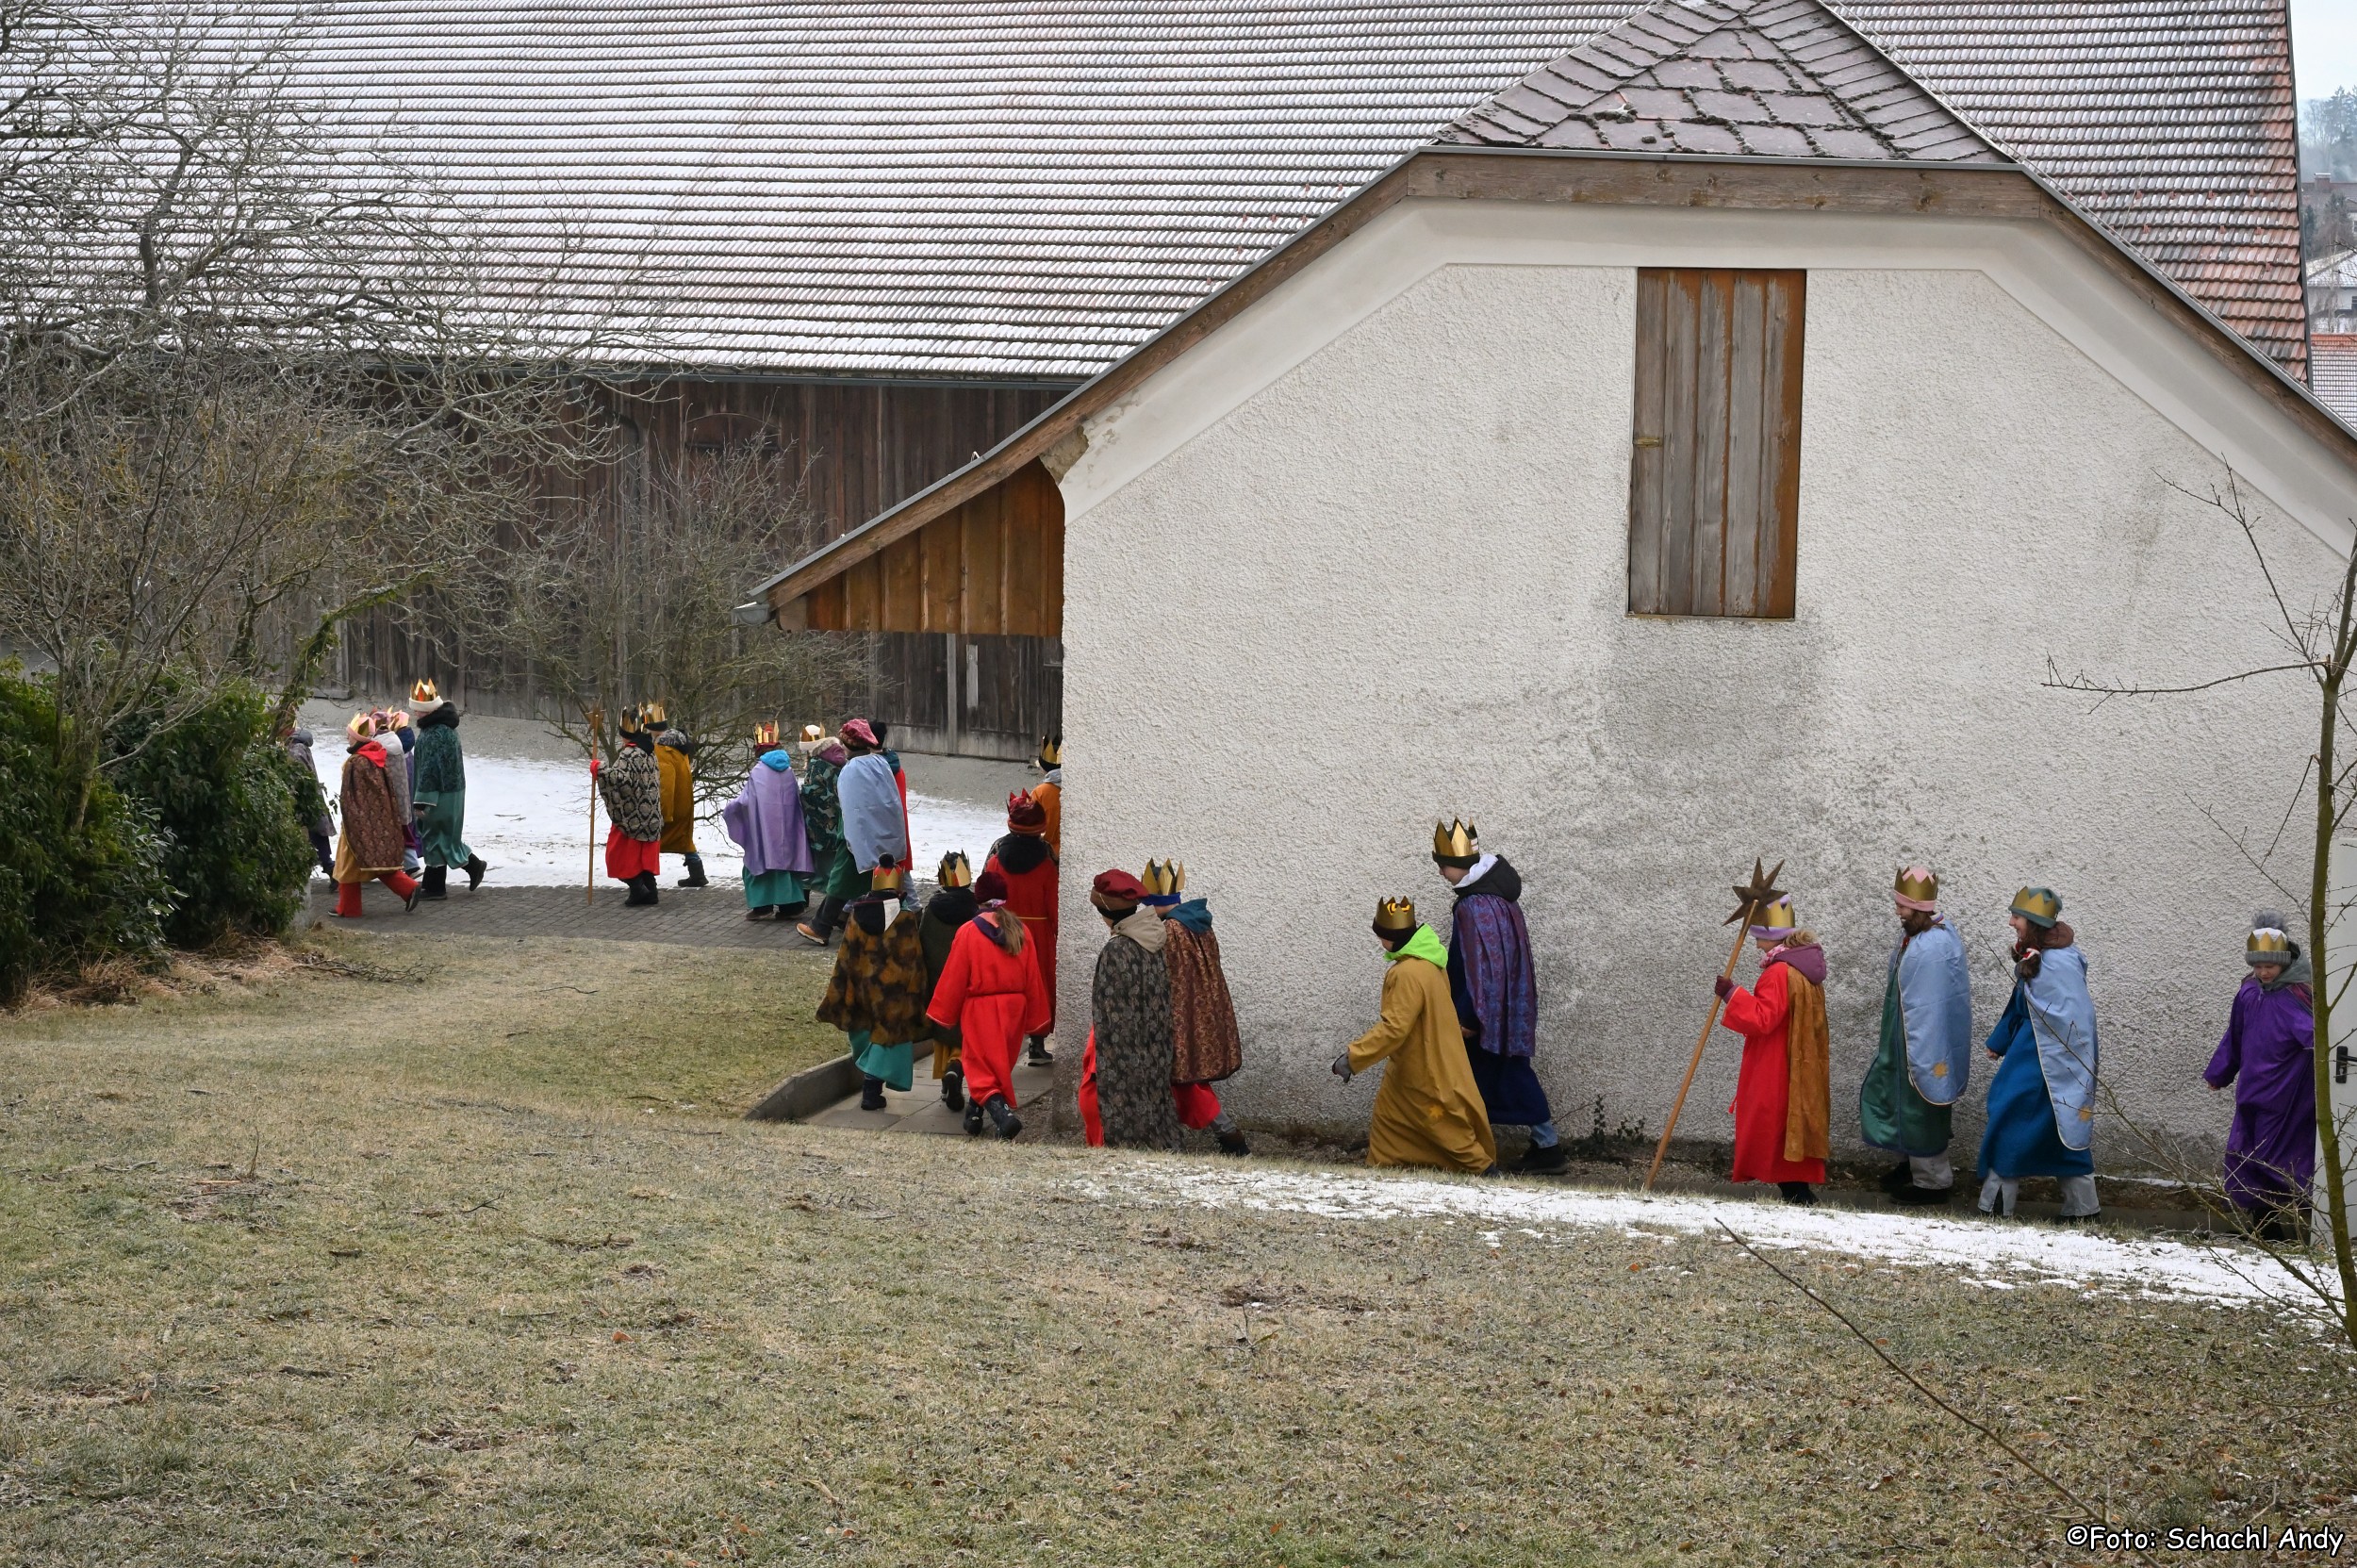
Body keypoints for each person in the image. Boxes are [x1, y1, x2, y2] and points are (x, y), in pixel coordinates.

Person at [1331, 896, 1495, 1174]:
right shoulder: (1429, 963)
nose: (1379, 941)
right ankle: (1381, 1164)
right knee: (1389, 1117)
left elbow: (1394, 1027)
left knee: (1442, 1123)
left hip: (1423, 1064)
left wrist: (1353, 1057)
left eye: (1380, 935)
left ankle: (1482, 1168)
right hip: (1413, 1061)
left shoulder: (1407, 973)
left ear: (1390, 937)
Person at [1431, 819, 1559, 1173]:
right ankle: (1540, 1145)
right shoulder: (1499, 899)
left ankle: (1541, 1148)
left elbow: (1476, 967)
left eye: (1443, 865)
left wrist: (1470, 1017)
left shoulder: (1473, 906)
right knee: (1504, 1072)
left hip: (1479, 1012)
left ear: (1459, 864)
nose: (1441, 873)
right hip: (1505, 1008)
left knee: (1485, 1074)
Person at [1979, 887, 2101, 1222]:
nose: (2010, 922)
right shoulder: (2037, 954)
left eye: (2016, 916)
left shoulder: (2059, 962)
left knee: (2019, 1118)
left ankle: (2076, 1209)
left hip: (2048, 1062)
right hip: (2030, 1054)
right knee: (2030, 1120)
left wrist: (2065, 1066)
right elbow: (2022, 1004)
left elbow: (2075, 1020)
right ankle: (2080, 1209)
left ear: (2033, 922)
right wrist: (2000, 1041)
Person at [1858, 866, 1973, 1205]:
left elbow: (1932, 1005)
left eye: (1902, 906)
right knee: (1899, 1100)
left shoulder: (1933, 945)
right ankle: (1910, 1165)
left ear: (1919, 908)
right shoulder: (1916, 937)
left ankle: (1933, 1181)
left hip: (1922, 1042)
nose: (1897, 911)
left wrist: (1921, 1050)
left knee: (1922, 1104)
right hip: (1902, 1037)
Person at [2204, 913, 2316, 1242]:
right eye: (2258, 966)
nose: (2264, 972)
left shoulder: (2300, 995)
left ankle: (2312, 1226)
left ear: (2284, 962)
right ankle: (2265, 1227)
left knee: (2279, 1158)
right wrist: (2220, 1073)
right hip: (2252, 1089)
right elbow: (2235, 1035)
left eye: (2270, 966)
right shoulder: (2249, 992)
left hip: (2288, 1094)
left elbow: (2318, 1039)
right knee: (2245, 1155)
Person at [1714, 895, 1830, 1205]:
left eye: (1759, 938)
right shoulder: (1802, 968)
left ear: (1773, 936)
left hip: (1776, 1063)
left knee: (1773, 1123)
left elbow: (1763, 1019)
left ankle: (1797, 1194)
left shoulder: (1779, 973)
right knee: (1787, 1123)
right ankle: (1797, 1191)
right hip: (1793, 1060)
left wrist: (1731, 994)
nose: (1756, 945)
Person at [1129, 859, 1249, 1155]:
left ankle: (1231, 1139)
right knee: (1182, 1080)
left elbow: (1166, 978)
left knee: (1187, 1081)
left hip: (1181, 1017)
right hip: (1200, 1013)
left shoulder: (1171, 930)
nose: (1146, 910)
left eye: (1148, 904)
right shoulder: (1197, 924)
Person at [925, 866, 1050, 1138]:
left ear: (978, 898)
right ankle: (973, 1116)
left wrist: (944, 1012)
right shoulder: (1021, 930)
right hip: (1014, 1010)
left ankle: (1004, 1117)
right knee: (995, 1066)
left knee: (978, 1067)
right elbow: (1033, 976)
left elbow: (955, 976)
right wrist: (1036, 1017)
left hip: (982, 1010)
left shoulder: (968, 932)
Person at [1083, 869, 1185, 1152]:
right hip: (1156, 1045)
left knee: (1129, 1121)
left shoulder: (1117, 950)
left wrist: (1113, 1064)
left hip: (1126, 1055)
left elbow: (1112, 1015)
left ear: (1105, 911)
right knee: (1156, 1109)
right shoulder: (1151, 939)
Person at [816, 864, 931, 1111]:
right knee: (886, 1037)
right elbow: (912, 958)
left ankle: (870, 1085)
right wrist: (918, 992)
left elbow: (846, 954)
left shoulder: (856, 915)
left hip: (862, 986)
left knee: (867, 1032)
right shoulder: (905, 918)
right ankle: (871, 1089)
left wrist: (844, 987)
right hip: (893, 991)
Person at [798, 718, 908, 946]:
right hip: (880, 833)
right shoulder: (880, 763)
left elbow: (850, 806)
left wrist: (851, 838)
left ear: (848, 744)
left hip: (857, 836)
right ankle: (835, 921)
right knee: (878, 881)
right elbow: (889, 802)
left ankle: (821, 927)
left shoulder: (852, 770)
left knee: (842, 881)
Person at [985, 789, 1060, 1065]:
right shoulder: (1048, 864)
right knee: (1038, 986)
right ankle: (1037, 1045)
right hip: (1037, 933)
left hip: (1004, 929)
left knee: (1006, 984)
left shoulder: (995, 859)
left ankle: (1002, 1042)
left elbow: (987, 898)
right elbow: (1054, 905)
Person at [331, 713, 420, 917]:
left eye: (350, 735)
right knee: (370, 862)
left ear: (357, 737)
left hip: (358, 822)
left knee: (348, 863)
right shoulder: (375, 757)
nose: (347, 738)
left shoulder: (356, 762)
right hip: (375, 820)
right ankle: (407, 889)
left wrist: (352, 820)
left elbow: (351, 796)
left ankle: (350, 908)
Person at [722, 725, 815, 920]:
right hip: (788, 829)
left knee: (760, 860)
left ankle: (762, 907)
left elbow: (746, 801)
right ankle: (791, 906)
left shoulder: (759, 771)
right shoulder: (788, 770)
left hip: (763, 829)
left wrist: (731, 809)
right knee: (786, 862)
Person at [408, 680, 487, 899]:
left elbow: (431, 769)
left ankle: (436, 887)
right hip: (450, 791)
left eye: (418, 708)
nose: (415, 712)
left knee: (435, 836)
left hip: (439, 794)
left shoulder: (435, 734)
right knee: (443, 837)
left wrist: (422, 799)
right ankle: (466, 870)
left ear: (427, 710)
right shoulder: (443, 729)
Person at [918, 852, 980, 1111]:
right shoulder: (976, 911)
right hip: (966, 981)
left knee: (944, 1031)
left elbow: (923, 942)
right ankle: (957, 1067)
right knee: (966, 1033)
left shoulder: (932, 910)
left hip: (938, 980)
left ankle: (946, 1078)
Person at [596, 707, 666, 906]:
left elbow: (621, 781)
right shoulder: (649, 751)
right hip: (651, 817)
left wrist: (599, 769)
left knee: (618, 856)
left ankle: (638, 890)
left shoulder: (629, 754)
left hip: (633, 818)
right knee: (643, 859)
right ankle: (650, 893)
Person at [644, 702, 706, 888]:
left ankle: (645, 877)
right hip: (683, 801)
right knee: (684, 841)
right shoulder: (677, 745)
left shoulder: (662, 751)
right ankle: (697, 874)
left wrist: (663, 813)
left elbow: (665, 785)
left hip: (671, 806)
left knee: (650, 841)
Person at [798, 726, 848, 918]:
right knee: (833, 866)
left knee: (819, 867)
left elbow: (811, 795)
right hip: (837, 823)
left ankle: (832, 910)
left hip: (819, 826)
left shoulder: (817, 766)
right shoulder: (838, 762)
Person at [285, 725, 335, 876]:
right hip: (311, 802)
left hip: (304, 803)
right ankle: (331, 871)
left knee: (313, 837)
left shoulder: (295, 750)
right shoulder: (300, 747)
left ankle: (331, 872)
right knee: (317, 837)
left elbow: (297, 778)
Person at [1031, 734, 1063, 859]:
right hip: (1068, 851)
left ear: (1044, 769)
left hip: (1044, 853)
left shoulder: (1040, 792)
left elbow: (1028, 823)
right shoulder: (1074, 789)